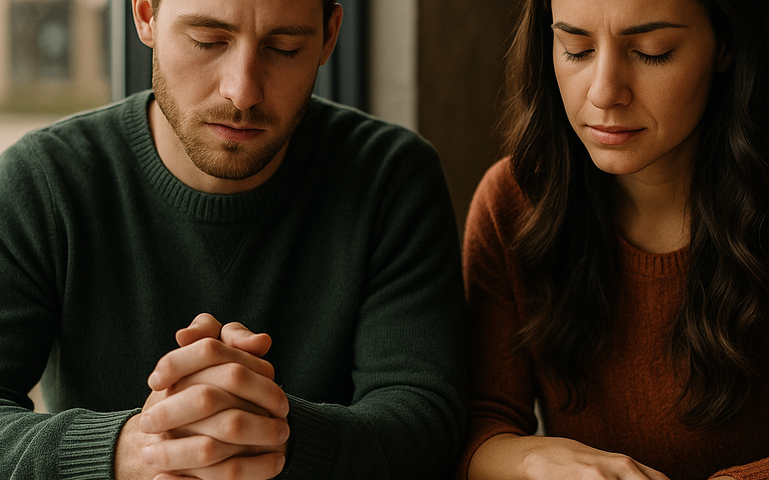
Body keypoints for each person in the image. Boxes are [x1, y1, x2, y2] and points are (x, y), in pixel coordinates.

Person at [0, 0, 467, 478]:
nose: (242, 91)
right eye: (207, 41)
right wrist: (132, 449)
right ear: (145, 16)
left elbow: (425, 425)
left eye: (284, 48)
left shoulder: (390, 178)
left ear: (329, 36)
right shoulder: (43, 182)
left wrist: (263, 429)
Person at [458, 0, 769, 478]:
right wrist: (535, 460)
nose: (603, 93)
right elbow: (474, 426)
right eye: (576, 50)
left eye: (652, 52)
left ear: (725, 44)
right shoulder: (512, 202)